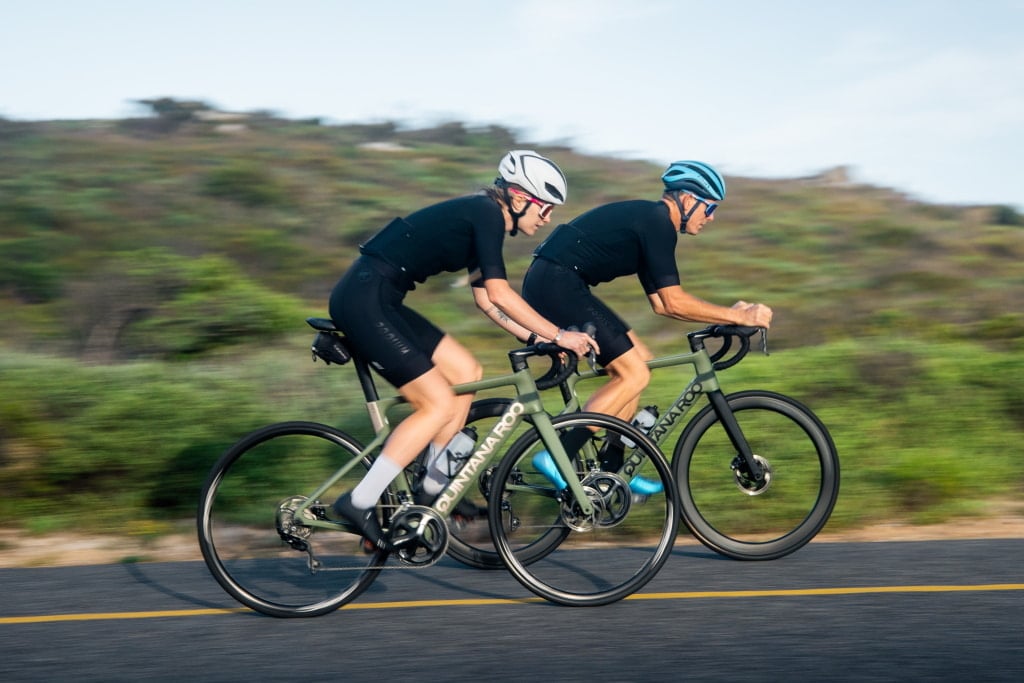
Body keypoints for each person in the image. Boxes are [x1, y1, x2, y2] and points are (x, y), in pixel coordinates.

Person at [329, 150, 598, 550]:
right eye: (546, 208)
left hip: (381, 299)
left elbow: (487, 302)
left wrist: (536, 339)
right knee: (435, 404)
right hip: (364, 299)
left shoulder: (485, 219)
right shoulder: (486, 213)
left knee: (467, 371)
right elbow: (500, 292)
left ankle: (430, 491)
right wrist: (559, 335)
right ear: (521, 197)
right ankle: (358, 501)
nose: (548, 219)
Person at [521, 160, 772, 490]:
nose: (711, 217)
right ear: (686, 200)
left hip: (556, 282)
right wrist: (738, 316)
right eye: (709, 207)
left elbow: (659, 303)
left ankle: (610, 473)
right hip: (557, 283)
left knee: (639, 361)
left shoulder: (650, 221)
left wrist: (728, 315)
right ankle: (558, 455)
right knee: (633, 373)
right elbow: (672, 302)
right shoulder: (657, 223)